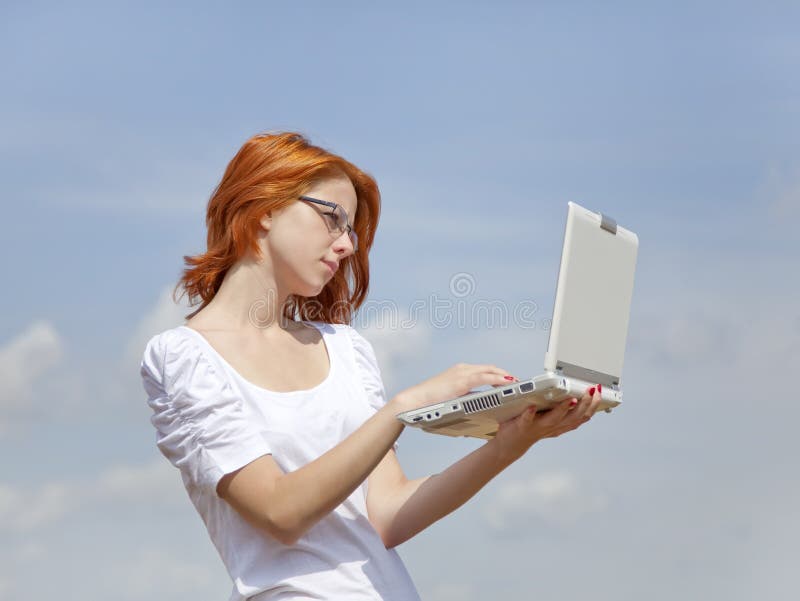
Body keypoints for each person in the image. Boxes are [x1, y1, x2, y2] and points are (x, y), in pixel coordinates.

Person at [140, 132, 602, 601]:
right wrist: (406, 406)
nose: (345, 246)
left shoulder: (346, 349)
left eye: (351, 232)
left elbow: (384, 515)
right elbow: (280, 512)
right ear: (264, 208)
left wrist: (510, 445)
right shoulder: (184, 358)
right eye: (332, 218)